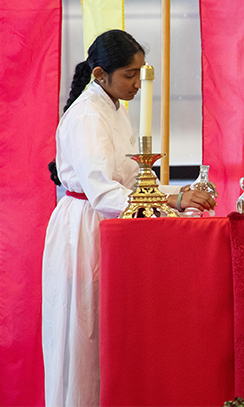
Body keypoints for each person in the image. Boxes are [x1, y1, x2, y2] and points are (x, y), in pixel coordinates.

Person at [41, 29, 216, 407]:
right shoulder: (88, 115)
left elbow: (132, 182)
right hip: (86, 228)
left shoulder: (114, 107)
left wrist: (177, 195)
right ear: (100, 74)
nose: (139, 83)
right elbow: (104, 193)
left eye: (141, 72)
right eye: (130, 75)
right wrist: (169, 205)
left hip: (113, 226)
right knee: (83, 339)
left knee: (111, 336)